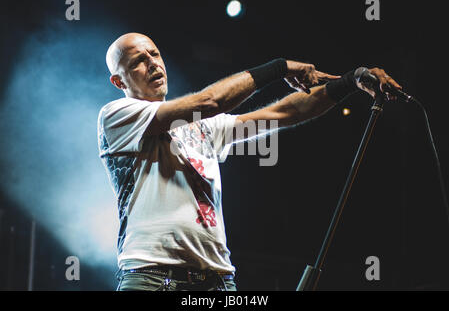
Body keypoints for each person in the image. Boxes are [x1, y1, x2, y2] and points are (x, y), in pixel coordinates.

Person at [97, 32, 401, 291]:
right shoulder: (117, 116)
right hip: (152, 277)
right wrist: (279, 68)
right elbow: (208, 102)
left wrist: (349, 81)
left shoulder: (202, 127)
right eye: (138, 60)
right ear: (117, 80)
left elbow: (284, 113)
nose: (152, 63)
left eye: (155, 54)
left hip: (218, 279)